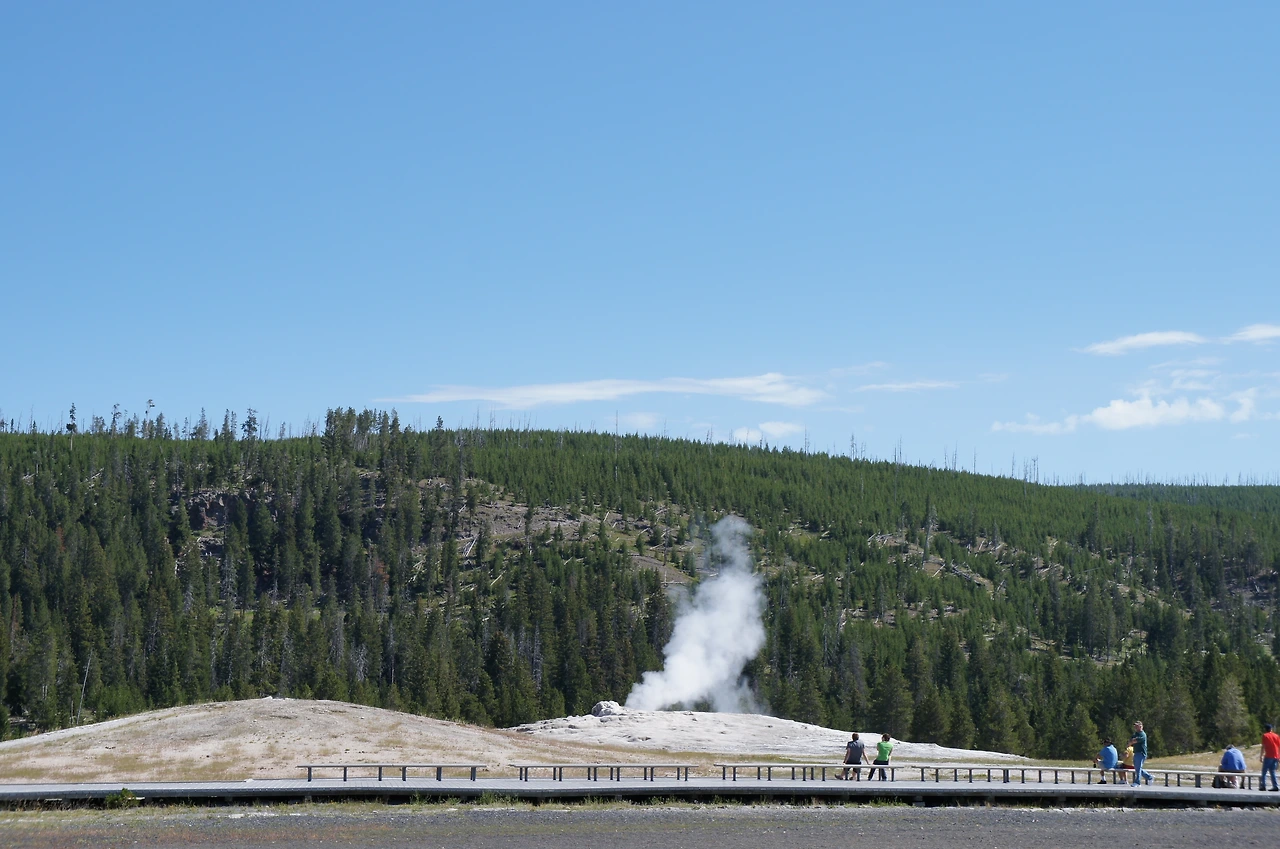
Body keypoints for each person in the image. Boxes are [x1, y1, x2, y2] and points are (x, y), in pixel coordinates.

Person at [1128, 721, 1153, 786]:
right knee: (1137, 768)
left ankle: (1137, 782)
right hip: (1136, 753)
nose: (1135, 727)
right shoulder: (1135, 734)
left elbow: (1134, 741)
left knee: (1138, 768)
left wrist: (1133, 741)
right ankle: (1149, 777)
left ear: (1141, 726)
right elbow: (1130, 741)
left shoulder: (1142, 734)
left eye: (1137, 726)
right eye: (1135, 726)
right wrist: (1132, 741)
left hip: (1141, 753)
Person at [1261, 724, 1280, 792]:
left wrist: (1261, 756)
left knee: (1264, 771)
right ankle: (1275, 786)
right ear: (1271, 729)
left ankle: (1263, 785)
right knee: (1272, 771)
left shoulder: (1265, 735)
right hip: (1276, 756)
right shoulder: (1276, 736)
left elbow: (1263, 746)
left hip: (1269, 755)